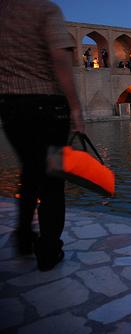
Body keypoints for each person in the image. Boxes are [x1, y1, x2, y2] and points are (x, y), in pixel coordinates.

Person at [0, 0, 85, 271]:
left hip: (10, 106)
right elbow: (60, 59)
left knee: (29, 172)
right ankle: (48, 251)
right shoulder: (44, 10)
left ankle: (24, 237)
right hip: (49, 105)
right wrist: (75, 107)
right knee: (51, 181)